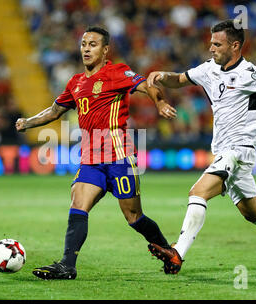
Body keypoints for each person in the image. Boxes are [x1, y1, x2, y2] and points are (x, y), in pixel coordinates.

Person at [146, 19, 256, 274]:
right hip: (224, 150)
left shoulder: (249, 73)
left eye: (217, 44)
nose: (211, 48)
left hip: (239, 150)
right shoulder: (209, 69)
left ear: (235, 46)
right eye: (211, 43)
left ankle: (177, 254)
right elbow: (179, 79)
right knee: (254, 214)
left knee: (198, 192)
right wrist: (160, 76)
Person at [16, 26, 179, 279]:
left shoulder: (117, 72)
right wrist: (28, 122)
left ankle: (169, 251)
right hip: (91, 159)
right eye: (83, 44)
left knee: (134, 217)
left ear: (105, 50)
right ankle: (67, 265)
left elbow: (147, 85)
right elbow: (54, 110)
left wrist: (159, 102)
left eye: (92, 44)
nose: (86, 49)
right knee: (78, 203)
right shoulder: (76, 82)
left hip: (119, 157)